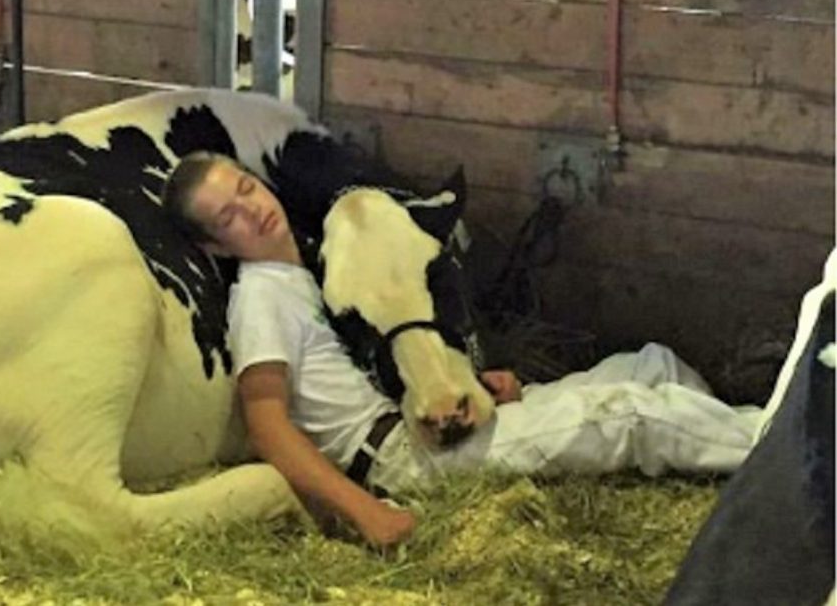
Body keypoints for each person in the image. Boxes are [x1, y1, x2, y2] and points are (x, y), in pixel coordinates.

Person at [161, 151, 762, 548]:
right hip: (401, 456)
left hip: (430, 418)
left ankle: (728, 474)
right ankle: (789, 449)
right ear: (215, 247)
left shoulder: (318, 262)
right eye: (229, 217)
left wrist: (475, 385)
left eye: (245, 188)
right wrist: (364, 513)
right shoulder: (261, 298)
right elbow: (266, 423)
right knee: (630, 414)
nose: (253, 210)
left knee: (650, 362)